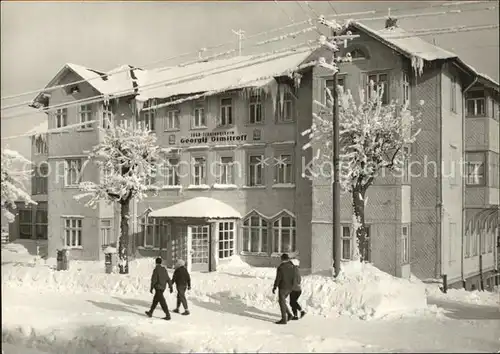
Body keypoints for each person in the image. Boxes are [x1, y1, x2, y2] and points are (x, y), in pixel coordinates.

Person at [272, 253, 296, 324]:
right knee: (282, 301)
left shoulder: (281, 267)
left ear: (282, 259)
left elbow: (278, 278)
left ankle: (284, 319)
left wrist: (275, 286)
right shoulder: (292, 266)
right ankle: (289, 314)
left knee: (282, 302)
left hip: (283, 287)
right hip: (291, 287)